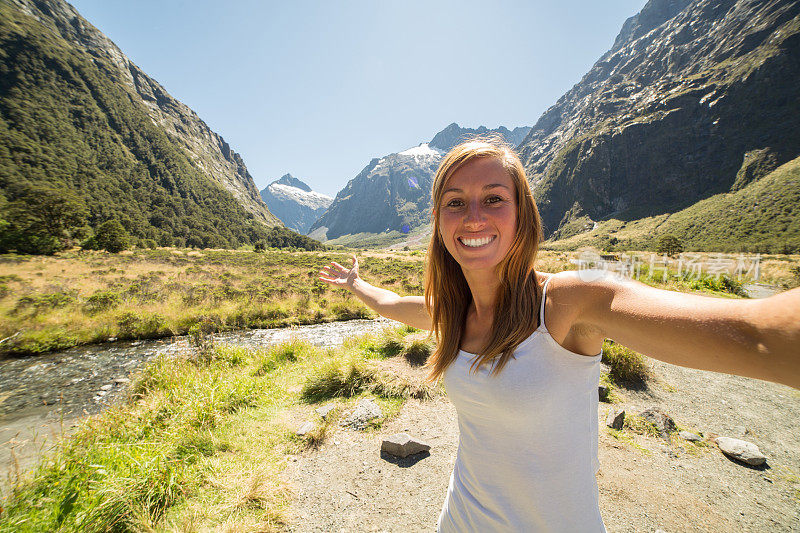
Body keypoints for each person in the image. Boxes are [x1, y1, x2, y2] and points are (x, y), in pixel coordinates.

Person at [318, 139, 800, 532]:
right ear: (440, 225)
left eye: (493, 198)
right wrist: (355, 283)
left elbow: (756, 335)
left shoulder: (568, 304)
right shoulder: (455, 313)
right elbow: (392, 306)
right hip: (461, 519)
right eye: (455, 203)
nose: (473, 217)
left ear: (521, 214)